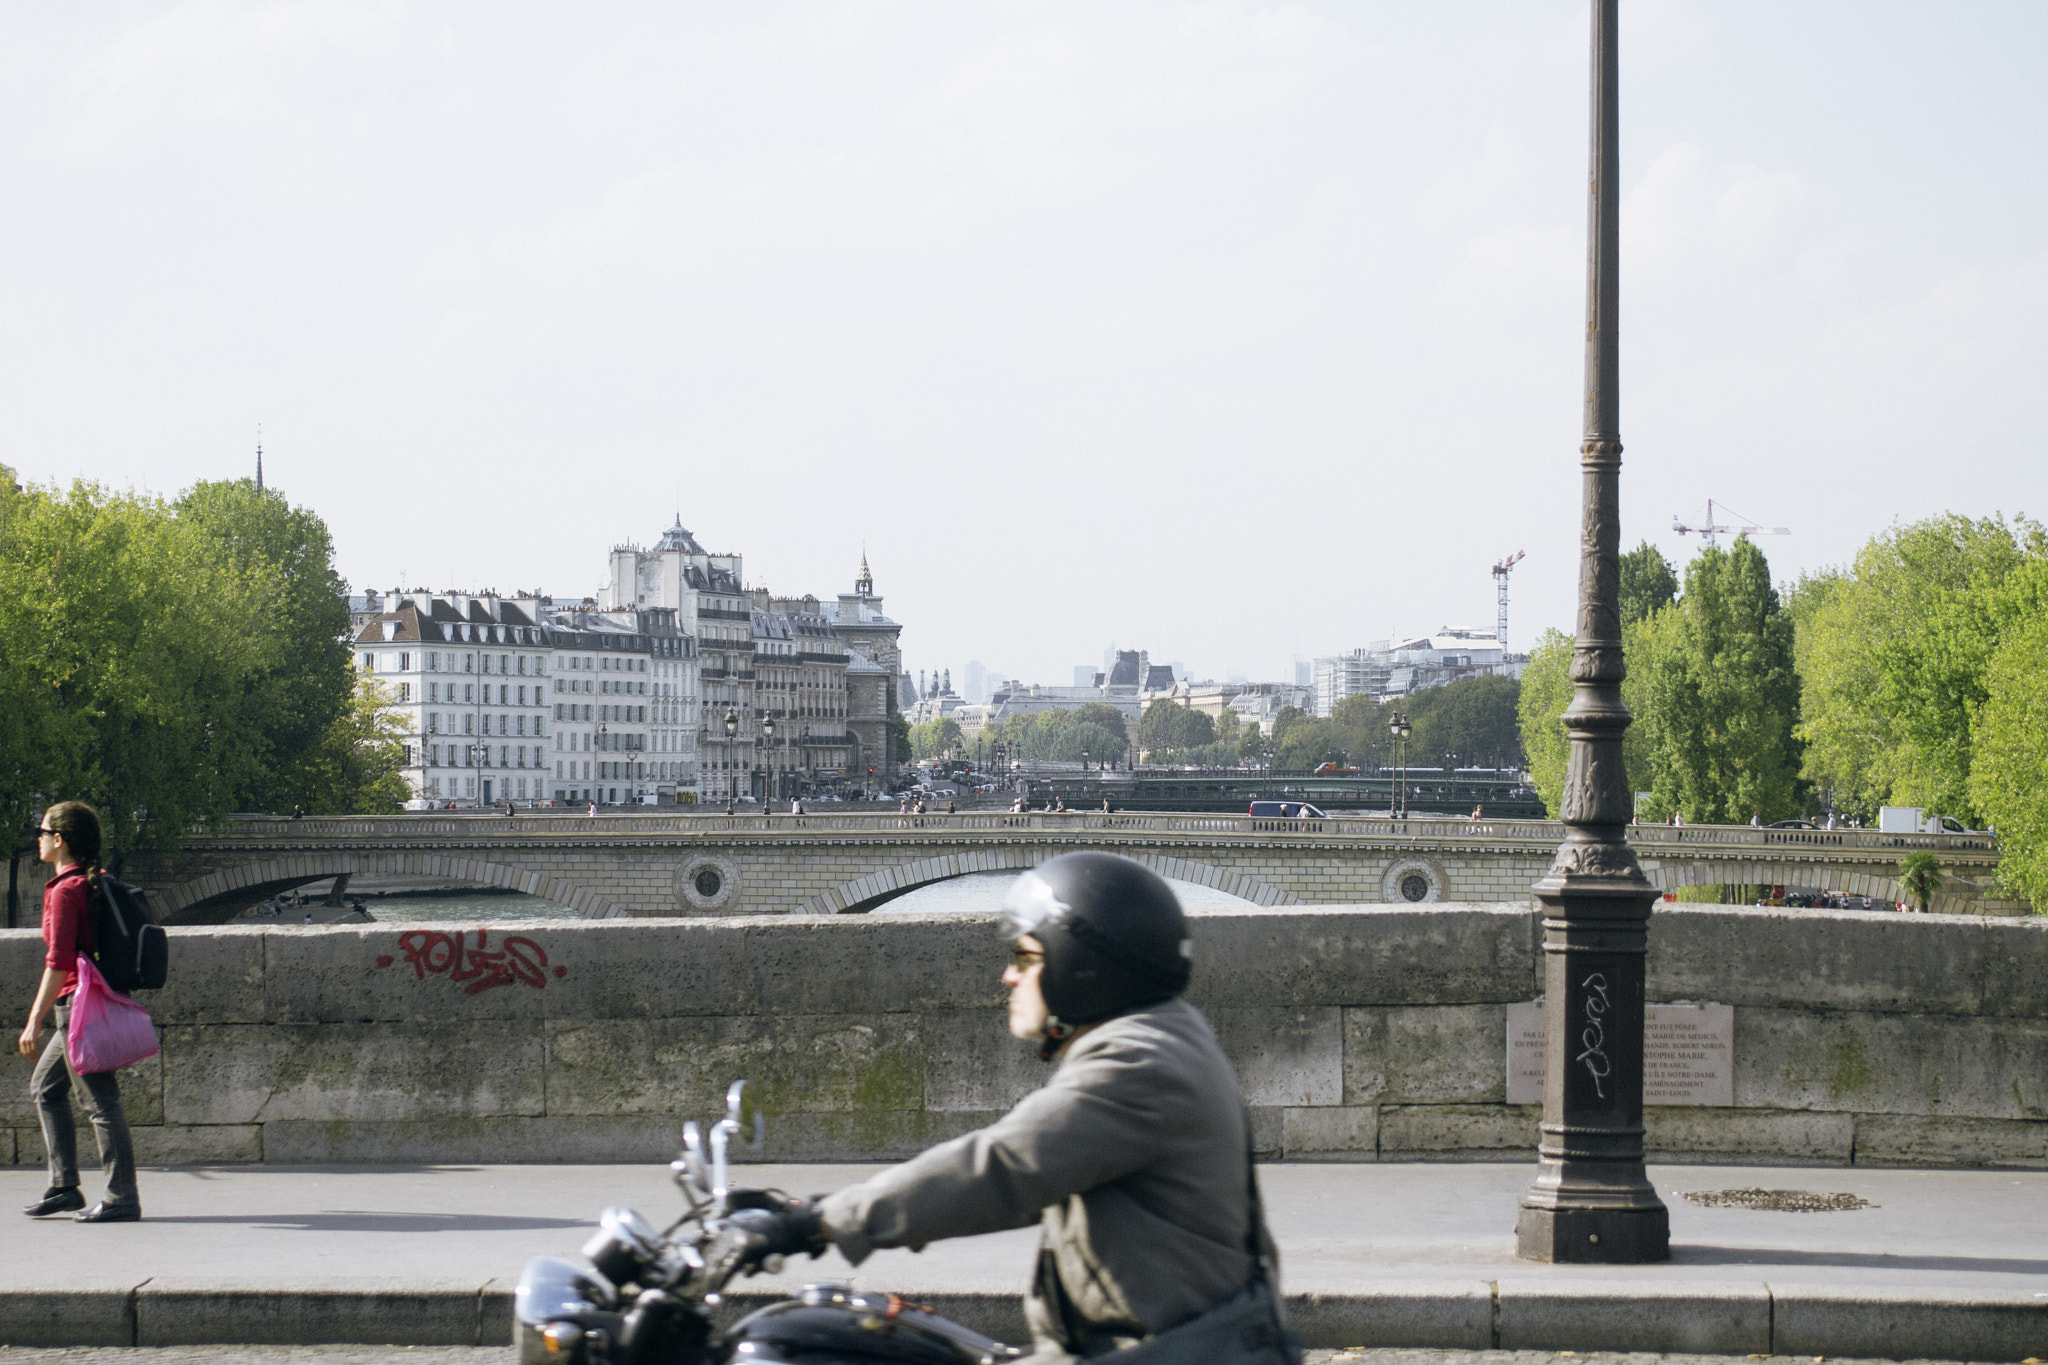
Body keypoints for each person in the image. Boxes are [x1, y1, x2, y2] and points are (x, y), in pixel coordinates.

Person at [733, 854, 1293, 1364]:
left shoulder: (1139, 1066)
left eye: (1024, 957)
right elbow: (1032, 1180)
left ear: (1080, 964)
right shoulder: (1166, 1036)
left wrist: (818, 1222)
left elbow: (1001, 1169)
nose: (1008, 976)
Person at [19, 802, 141, 1222]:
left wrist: (34, 1019)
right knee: (46, 1088)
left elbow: (59, 962)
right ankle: (64, 1186)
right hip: (86, 1002)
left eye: (42, 830)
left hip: (76, 1007)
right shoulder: (92, 882)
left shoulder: (65, 890)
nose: (37, 837)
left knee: (101, 1104)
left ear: (60, 840)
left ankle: (122, 1196)